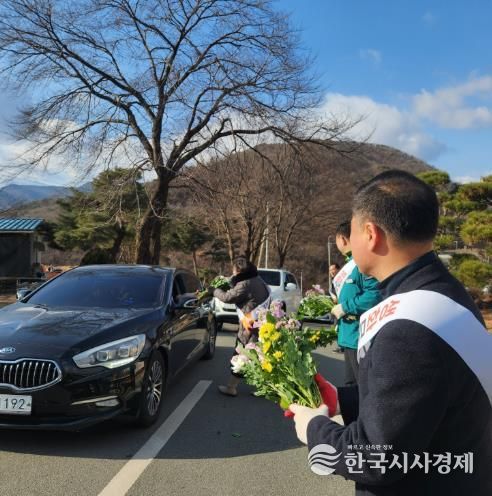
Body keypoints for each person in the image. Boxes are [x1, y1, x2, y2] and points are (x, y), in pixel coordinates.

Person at [289, 170, 492, 495]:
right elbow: (421, 396)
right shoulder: (445, 293)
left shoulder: (407, 329)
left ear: (371, 234)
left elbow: (375, 458)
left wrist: (314, 429)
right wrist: (343, 399)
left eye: (352, 230)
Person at [210, 256, 270, 397]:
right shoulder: (258, 279)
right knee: (257, 355)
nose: (233, 271)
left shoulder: (244, 284)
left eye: (234, 269)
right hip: (260, 323)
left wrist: (213, 290)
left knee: (242, 354)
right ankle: (262, 387)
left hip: (249, 325)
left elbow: (227, 297)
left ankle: (232, 387)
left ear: (239, 270)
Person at [331, 221, 380, 385]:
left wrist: (345, 307)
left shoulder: (362, 263)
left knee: (361, 387)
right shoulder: (350, 263)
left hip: (359, 336)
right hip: (348, 335)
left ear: (342, 239)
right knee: (351, 386)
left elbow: (374, 295)